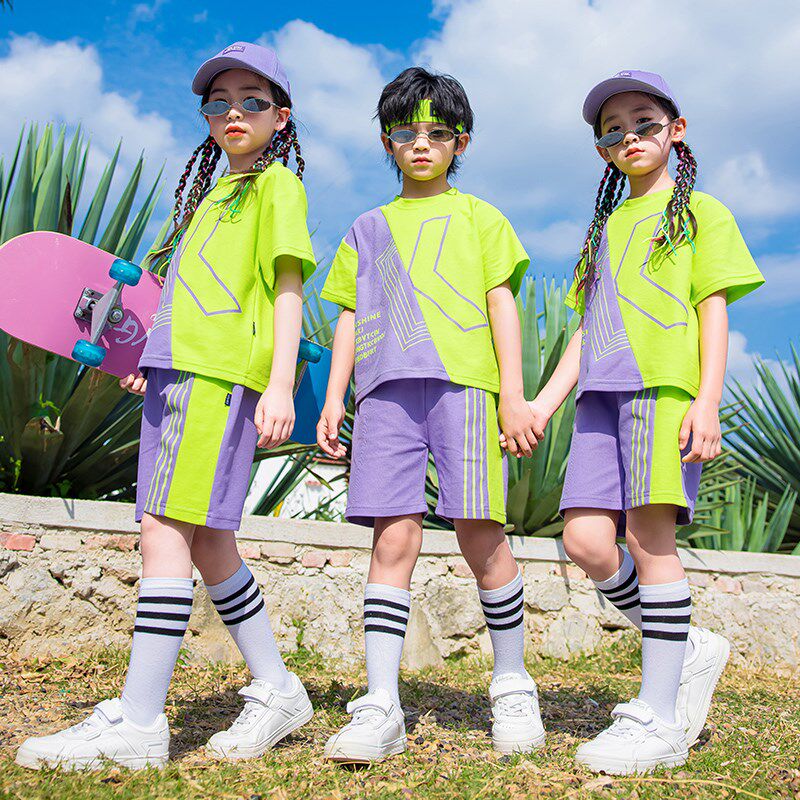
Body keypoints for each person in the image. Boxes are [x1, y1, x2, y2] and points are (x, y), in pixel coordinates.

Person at [16, 42, 317, 771]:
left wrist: (280, 384)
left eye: (252, 101)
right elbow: (181, 299)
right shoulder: (210, 197)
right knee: (208, 540)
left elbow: (287, 288)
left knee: (163, 530)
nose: (234, 112)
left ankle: (142, 721)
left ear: (280, 118)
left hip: (216, 378)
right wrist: (149, 360)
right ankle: (278, 688)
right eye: (219, 102)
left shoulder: (277, 187)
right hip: (177, 374)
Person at [513, 70, 764, 775]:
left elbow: (713, 311)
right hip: (599, 399)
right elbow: (586, 333)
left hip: (664, 393)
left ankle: (659, 716)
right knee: (586, 541)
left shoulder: (701, 213)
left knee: (650, 541)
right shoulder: (604, 230)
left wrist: (706, 401)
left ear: (675, 132)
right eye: (612, 129)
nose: (629, 135)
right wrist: (542, 404)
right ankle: (684, 642)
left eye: (644, 121)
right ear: (601, 149)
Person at [317, 66, 544, 763]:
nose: (421, 143)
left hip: (466, 388)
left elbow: (502, 305)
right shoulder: (367, 228)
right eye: (405, 131)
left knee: (481, 532)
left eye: (437, 132)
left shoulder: (482, 218)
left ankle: (512, 683)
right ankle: (381, 702)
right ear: (386, 141)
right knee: (392, 538)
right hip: (383, 393)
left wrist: (513, 395)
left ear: (460, 142)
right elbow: (348, 316)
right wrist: (334, 396)